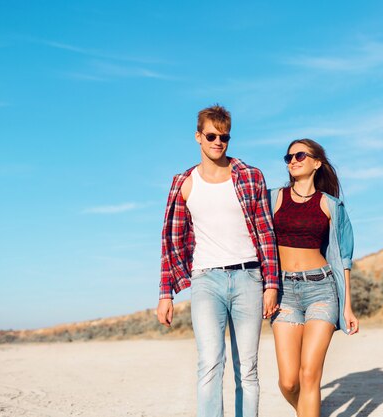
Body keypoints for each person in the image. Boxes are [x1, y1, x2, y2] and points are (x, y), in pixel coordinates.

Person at [157, 104, 279, 417]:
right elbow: (169, 240)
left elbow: (266, 234)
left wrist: (271, 285)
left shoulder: (250, 176)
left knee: (247, 369)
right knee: (210, 363)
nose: (218, 142)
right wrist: (165, 293)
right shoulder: (183, 183)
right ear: (198, 136)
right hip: (206, 280)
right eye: (211, 135)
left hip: (249, 278)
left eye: (224, 137)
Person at [269, 138, 358, 417]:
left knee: (310, 374)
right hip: (284, 293)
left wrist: (348, 306)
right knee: (289, 381)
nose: (293, 161)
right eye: (289, 157)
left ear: (317, 163)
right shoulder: (273, 198)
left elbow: (344, 258)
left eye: (300, 155)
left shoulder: (331, 205)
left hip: (321, 290)